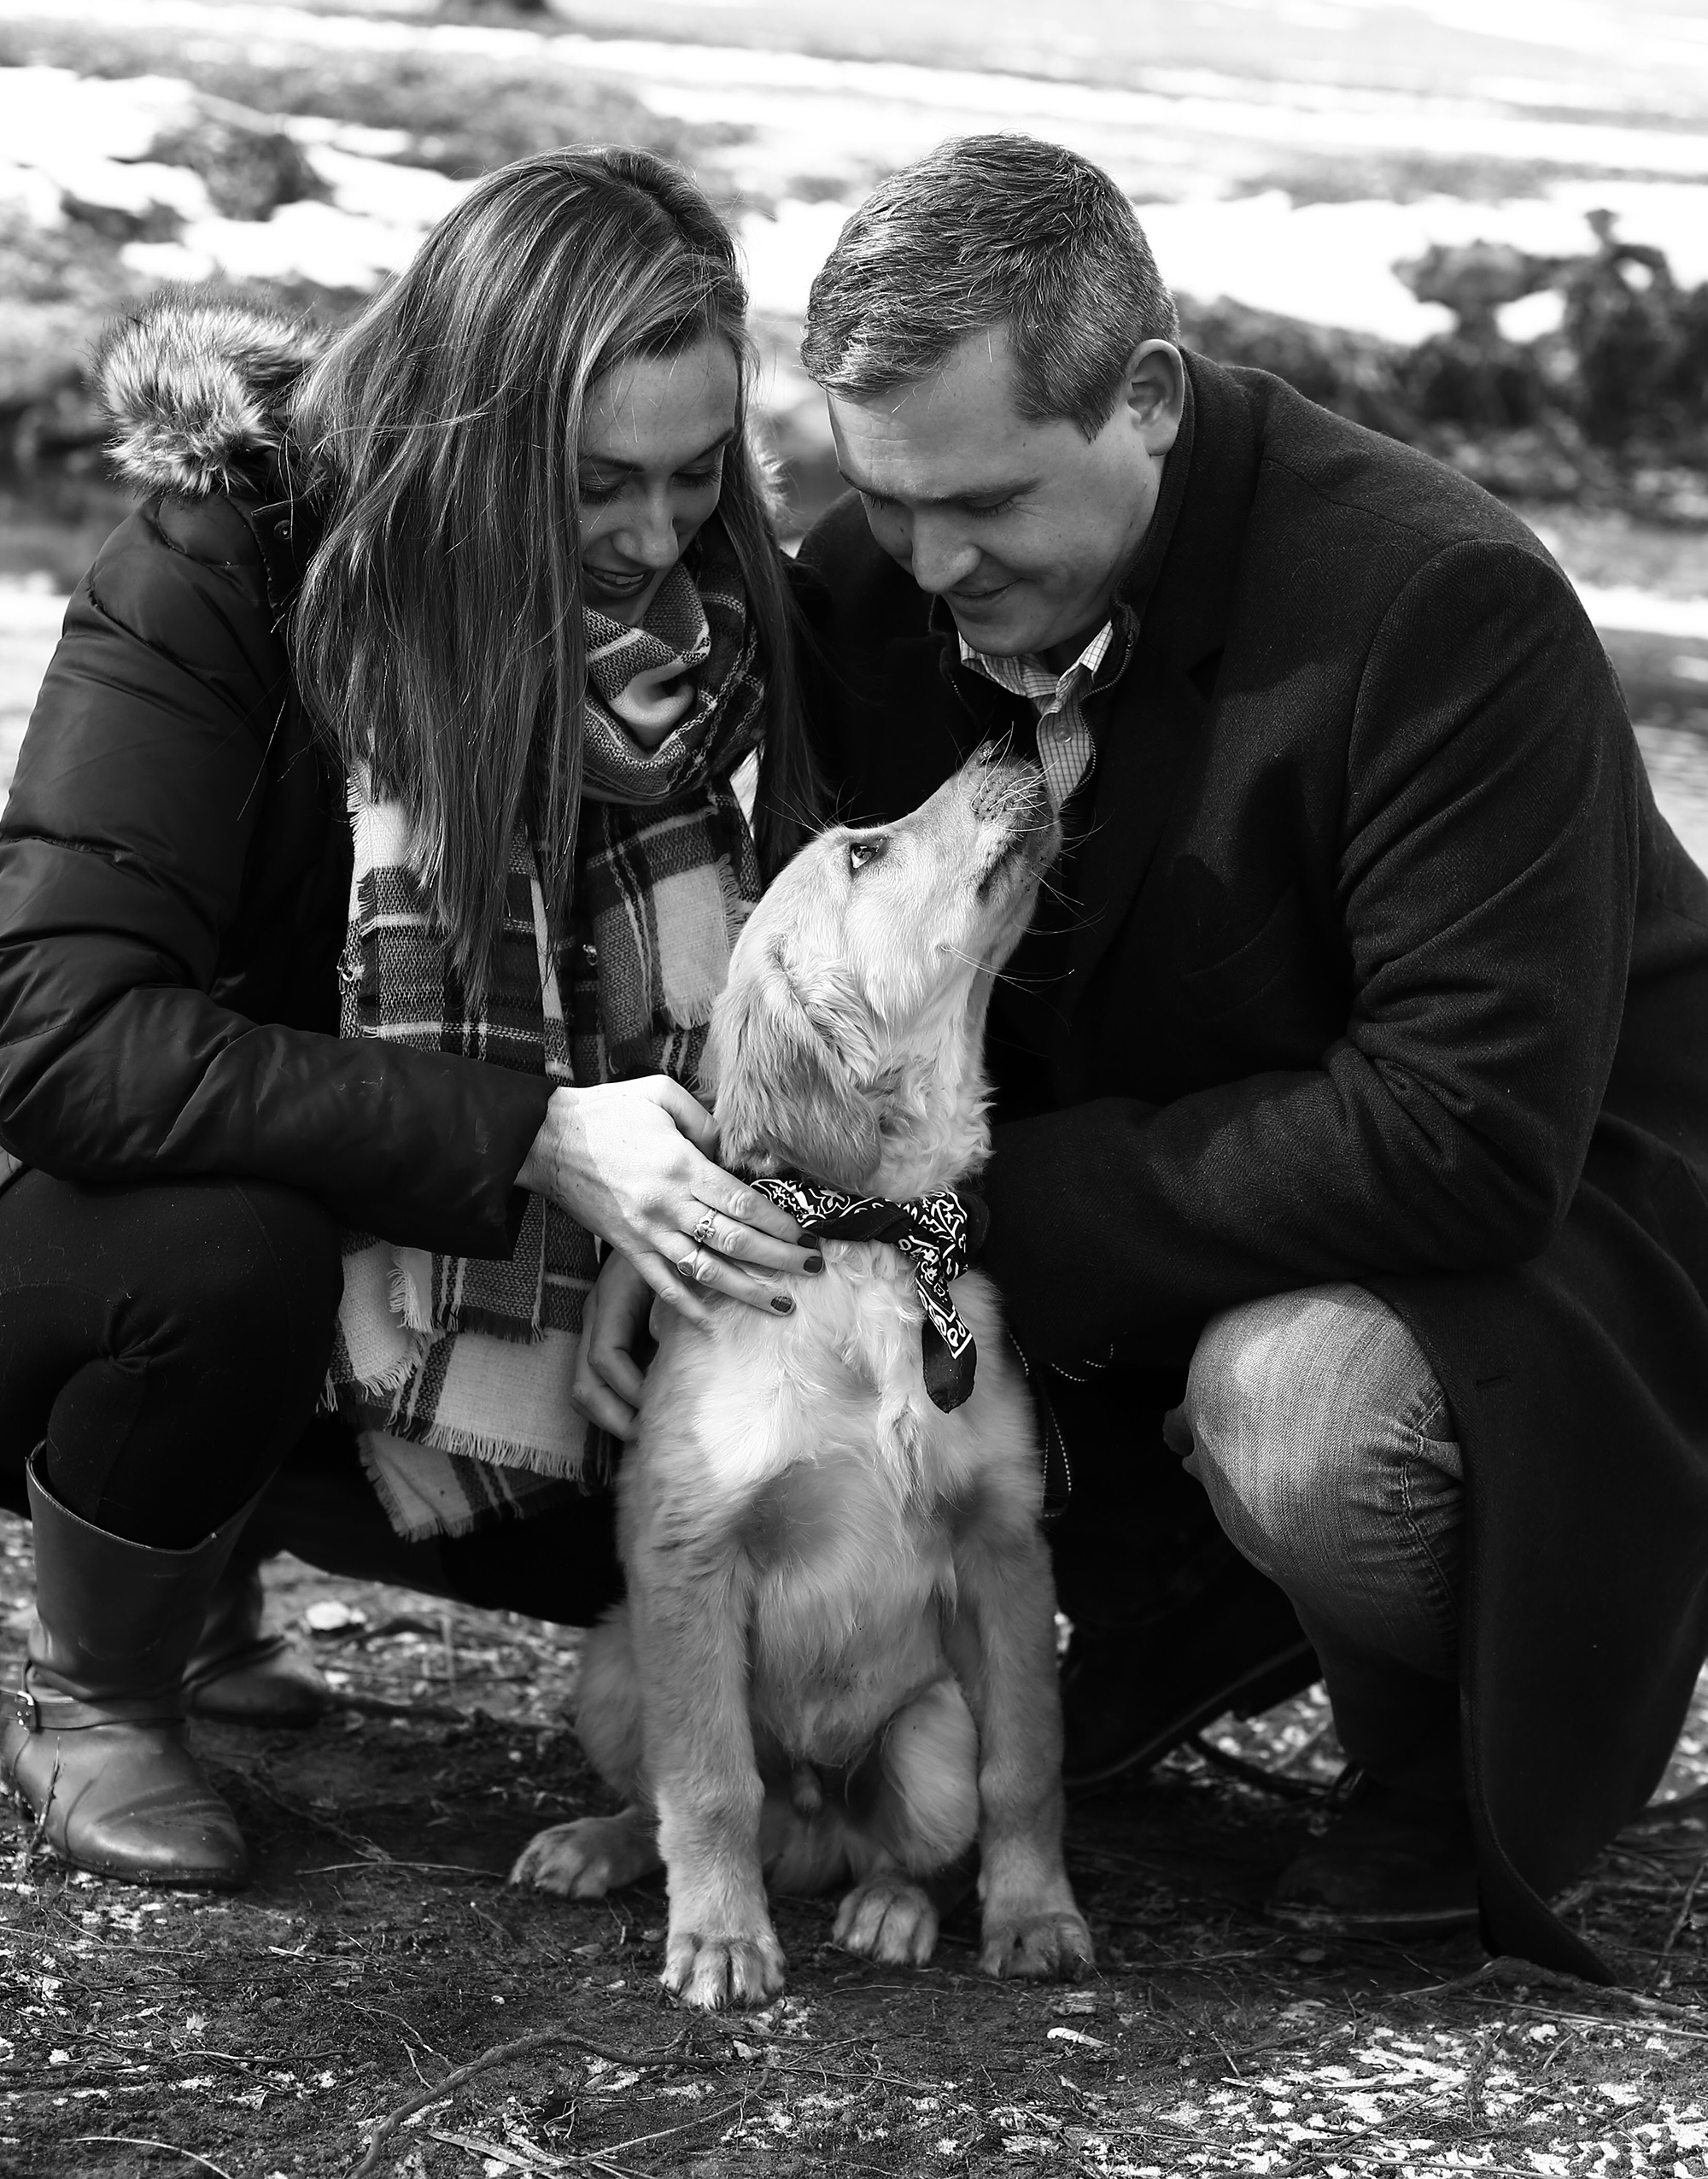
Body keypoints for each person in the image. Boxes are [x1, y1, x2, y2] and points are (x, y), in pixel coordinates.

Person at [579, 132, 1708, 1977]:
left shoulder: (1436, 608)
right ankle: (1176, 1590)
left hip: (1531, 1254)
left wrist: (955, 1218)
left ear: (1151, 400)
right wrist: (734, 1215)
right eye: (886, 496)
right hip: (1112, 1223)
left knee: (1301, 1417)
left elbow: (1464, 1136)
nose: (929, 559)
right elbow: (854, 974)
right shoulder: (880, 583)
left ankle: (1425, 1753)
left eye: (990, 504)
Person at [0, 147, 824, 1891]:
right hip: (100, 1261)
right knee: (226, 1243)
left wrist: (653, 1197)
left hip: (460, 1274)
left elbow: (782, 973)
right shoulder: (222, 564)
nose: (649, 534)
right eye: (598, 482)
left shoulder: (719, 615)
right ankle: (105, 1685)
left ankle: (249, 1521)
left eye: (694, 477)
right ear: (469, 428)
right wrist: (534, 1133)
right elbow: (58, 1043)